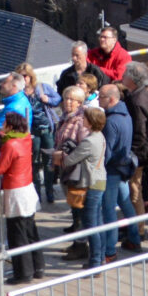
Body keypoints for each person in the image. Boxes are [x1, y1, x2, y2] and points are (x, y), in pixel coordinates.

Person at [0, 112, 42, 283]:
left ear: (10, 127)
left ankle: (23, 273)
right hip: (27, 187)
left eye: (4, 124)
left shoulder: (10, 145)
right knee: (30, 230)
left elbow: (0, 169)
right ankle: (38, 267)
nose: (2, 127)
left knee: (17, 234)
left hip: (15, 191)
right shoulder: (26, 138)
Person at [61, 106, 107, 269]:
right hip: (100, 180)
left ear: (92, 121)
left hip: (91, 183)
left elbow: (69, 160)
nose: (83, 120)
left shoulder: (89, 140)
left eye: (86, 118)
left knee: (91, 224)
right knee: (98, 222)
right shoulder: (100, 136)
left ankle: (95, 262)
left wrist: (61, 155)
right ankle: (100, 257)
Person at [97, 84, 140, 255]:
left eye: (101, 96)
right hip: (124, 168)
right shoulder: (126, 115)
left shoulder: (111, 121)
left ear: (112, 99)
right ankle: (135, 240)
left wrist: (98, 170)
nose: (98, 99)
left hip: (112, 170)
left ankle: (109, 251)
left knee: (109, 211)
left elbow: (106, 152)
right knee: (126, 204)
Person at [52, 84, 92, 256]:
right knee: (75, 209)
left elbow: (85, 147)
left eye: (72, 100)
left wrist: (66, 154)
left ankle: (81, 246)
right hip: (66, 168)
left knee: (79, 209)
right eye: (66, 98)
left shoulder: (82, 121)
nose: (67, 102)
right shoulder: (65, 118)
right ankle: (77, 243)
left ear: (79, 102)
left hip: (77, 171)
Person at [122, 61, 148, 215]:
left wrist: (132, 155)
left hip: (138, 155)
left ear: (132, 79)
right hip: (142, 151)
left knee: (135, 190)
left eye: (125, 74)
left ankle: (138, 228)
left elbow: (140, 131)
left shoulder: (136, 100)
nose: (122, 77)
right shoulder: (139, 94)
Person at [25, 66, 61, 205]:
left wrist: (48, 100)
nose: (24, 79)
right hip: (32, 132)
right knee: (34, 162)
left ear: (30, 76)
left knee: (49, 161)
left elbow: (57, 99)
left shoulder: (42, 87)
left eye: (25, 75)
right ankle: (37, 193)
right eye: (21, 76)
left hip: (46, 129)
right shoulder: (22, 93)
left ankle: (50, 191)